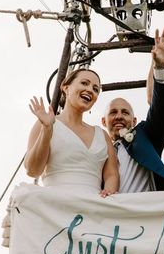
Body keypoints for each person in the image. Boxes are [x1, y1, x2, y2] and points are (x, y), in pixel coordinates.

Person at [102, 28, 164, 193]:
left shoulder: (147, 138)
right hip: (107, 216)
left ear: (134, 121)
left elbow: (160, 108)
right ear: (103, 121)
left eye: (125, 112)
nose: (119, 116)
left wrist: (160, 68)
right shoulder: (97, 148)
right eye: (113, 112)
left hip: (146, 214)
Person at [25, 67, 119, 196]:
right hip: (56, 202)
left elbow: (111, 174)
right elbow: (33, 170)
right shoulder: (45, 123)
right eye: (84, 83)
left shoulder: (102, 135)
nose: (90, 90)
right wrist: (47, 129)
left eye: (95, 89)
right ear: (66, 87)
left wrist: (108, 193)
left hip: (94, 205)